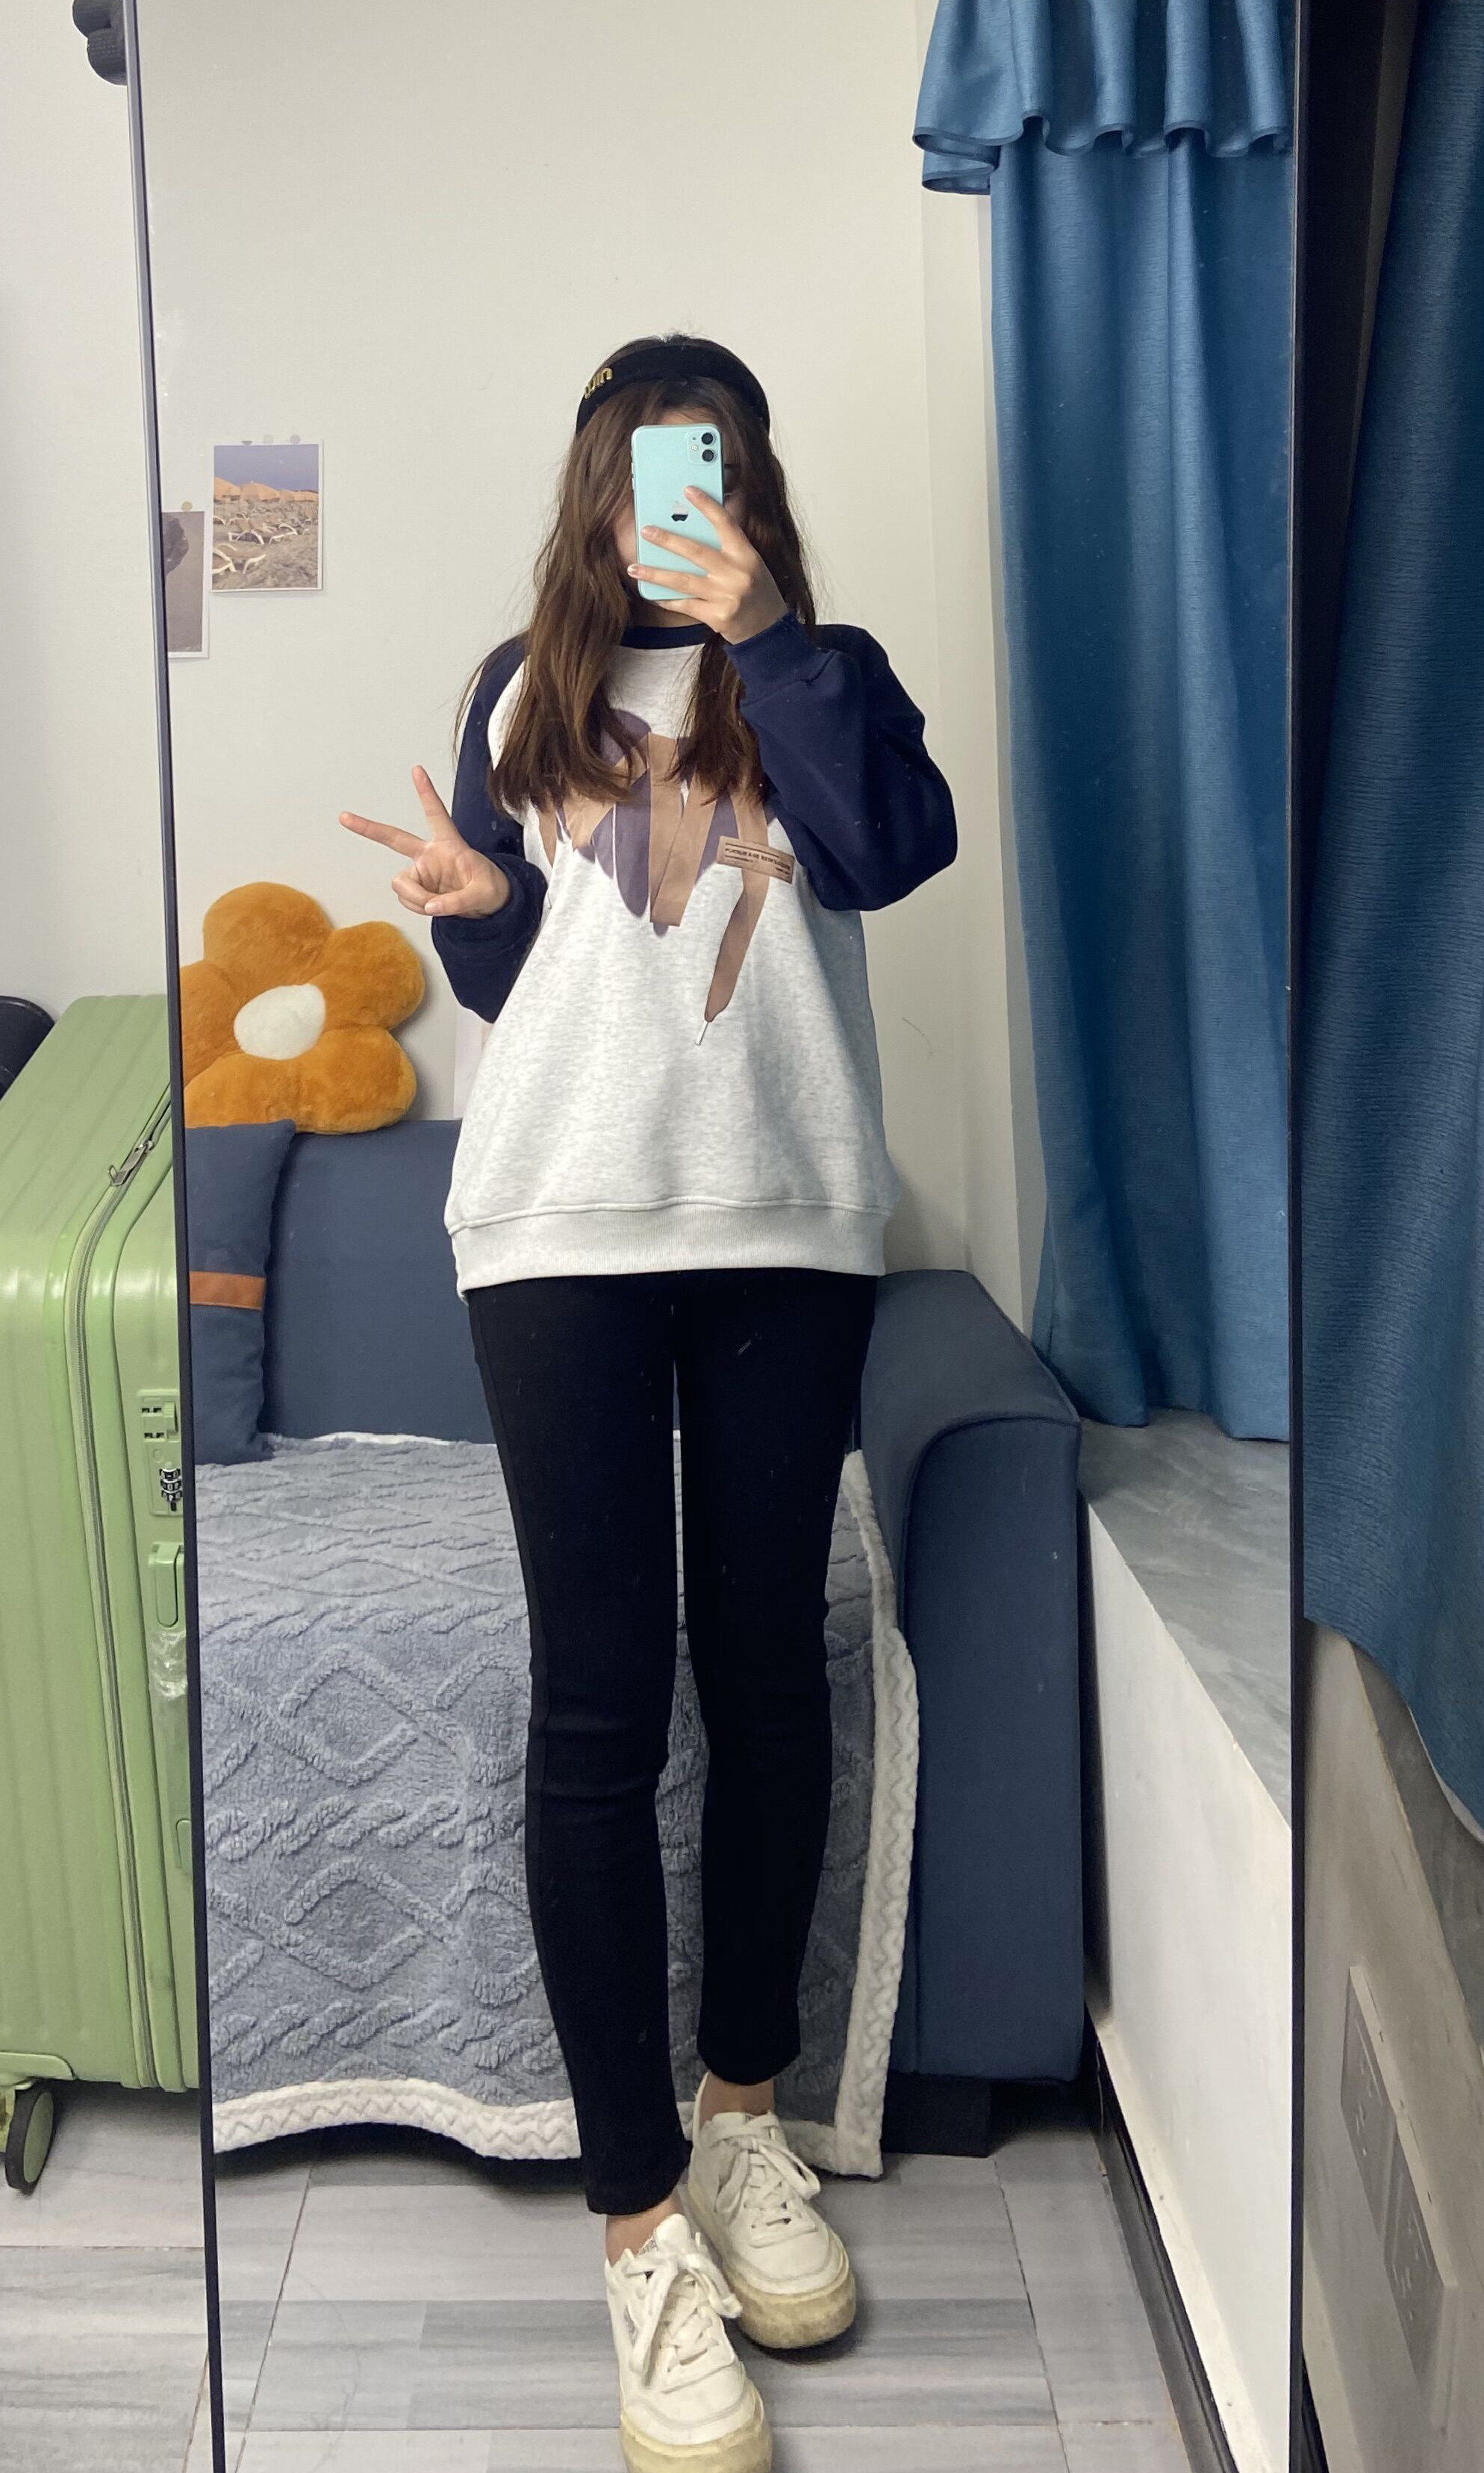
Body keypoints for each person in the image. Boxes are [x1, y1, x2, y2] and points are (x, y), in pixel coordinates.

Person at [340, 333, 955, 2473]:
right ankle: (636, 2226)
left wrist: (771, 636)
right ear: (593, 494)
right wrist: (471, 916)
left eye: (709, 472)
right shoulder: (521, 695)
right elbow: (533, 984)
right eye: (638, 475)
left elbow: (890, 850)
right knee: (600, 1705)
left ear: (749, 489)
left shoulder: (826, 679)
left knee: (770, 1676)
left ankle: (746, 2119)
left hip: (787, 1224)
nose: (669, 508)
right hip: (560, 1235)